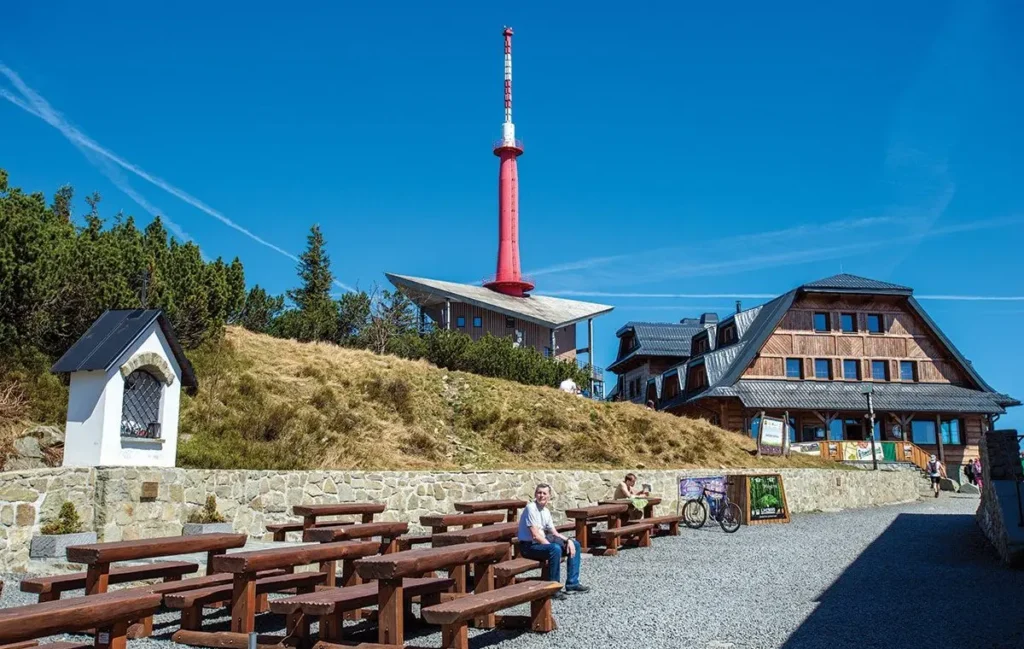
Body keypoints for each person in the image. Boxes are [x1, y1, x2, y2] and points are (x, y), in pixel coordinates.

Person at [517, 484, 588, 598]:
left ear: (549, 496)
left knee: (576, 544)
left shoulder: (545, 511)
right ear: (535, 494)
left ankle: (572, 584)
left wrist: (568, 540)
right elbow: (535, 535)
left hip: (541, 543)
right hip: (528, 546)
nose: (541, 495)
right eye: (539, 493)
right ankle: (553, 588)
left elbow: (554, 533)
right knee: (555, 549)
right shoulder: (531, 508)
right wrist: (553, 547)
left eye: (544, 493)